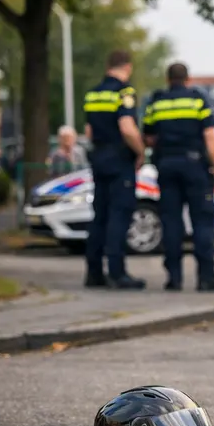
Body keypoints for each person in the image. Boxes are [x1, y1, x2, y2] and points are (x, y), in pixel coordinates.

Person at [142, 62, 214, 292]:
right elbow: (210, 135)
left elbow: (149, 137)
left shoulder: (157, 102)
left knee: (171, 222)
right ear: (188, 79)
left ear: (167, 79)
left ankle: (174, 278)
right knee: (202, 221)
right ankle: (206, 277)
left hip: (166, 166)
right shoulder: (196, 100)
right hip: (194, 167)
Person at [83, 50, 147, 290]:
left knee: (99, 216)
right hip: (119, 159)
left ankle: (93, 273)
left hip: (99, 157)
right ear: (127, 67)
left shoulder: (93, 94)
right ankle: (118, 273)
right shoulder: (124, 92)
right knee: (119, 215)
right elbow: (127, 128)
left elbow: (89, 130)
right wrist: (140, 152)